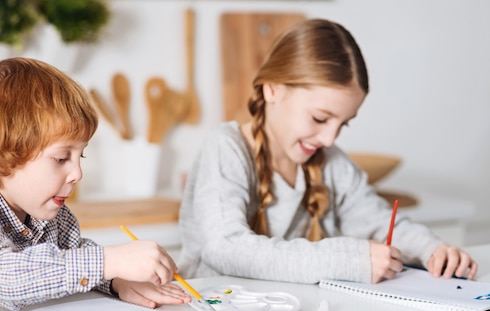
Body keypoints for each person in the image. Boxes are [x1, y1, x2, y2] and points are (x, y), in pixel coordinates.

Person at [178, 18, 477, 284]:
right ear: (272, 89)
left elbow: (378, 222)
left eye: (343, 124)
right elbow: (225, 247)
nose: (330, 138)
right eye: (319, 118)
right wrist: (348, 260)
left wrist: (432, 249)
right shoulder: (226, 147)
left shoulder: (331, 164)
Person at [0, 57, 190, 311]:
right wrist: (109, 261)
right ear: (0, 153)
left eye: (81, 155)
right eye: (61, 157)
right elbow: (4, 277)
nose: (77, 173)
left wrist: (116, 281)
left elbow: (70, 256)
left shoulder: (51, 214)